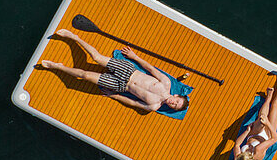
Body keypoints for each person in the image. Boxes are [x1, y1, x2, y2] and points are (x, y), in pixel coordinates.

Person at [39, 28, 189, 113]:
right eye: (176, 101)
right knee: (96, 57)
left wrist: (115, 96)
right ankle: (74, 37)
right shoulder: (166, 83)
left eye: (174, 105)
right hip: (128, 71)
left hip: (121, 86)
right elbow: (150, 68)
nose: (172, 103)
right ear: (176, 95)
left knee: (85, 76)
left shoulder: (153, 106)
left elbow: (133, 103)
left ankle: (57, 66)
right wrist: (134, 57)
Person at [233, 64, 277, 160]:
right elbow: (275, 139)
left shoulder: (238, 158)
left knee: (261, 119)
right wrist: (267, 123)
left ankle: (268, 98)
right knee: (275, 105)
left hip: (253, 134)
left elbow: (237, 144)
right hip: (268, 136)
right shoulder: (257, 151)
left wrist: (247, 131)